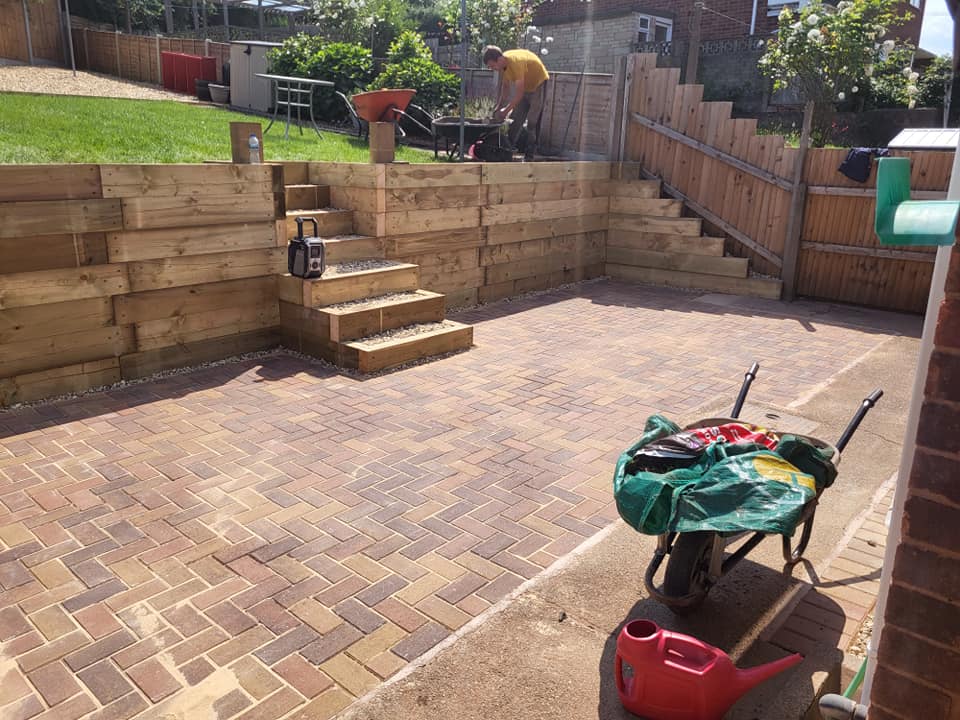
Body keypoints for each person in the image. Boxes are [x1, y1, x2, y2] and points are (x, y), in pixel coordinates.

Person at [483, 45, 549, 161]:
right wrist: (498, 108)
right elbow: (506, 88)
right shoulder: (503, 67)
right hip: (526, 87)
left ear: (499, 59)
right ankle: (506, 152)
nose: (492, 69)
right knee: (515, 120)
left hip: (538, 85)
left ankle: (529, 156)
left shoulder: (515, 63)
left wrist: (506, 110)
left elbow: (519, 94)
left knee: (532, 122)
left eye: (492, 66)